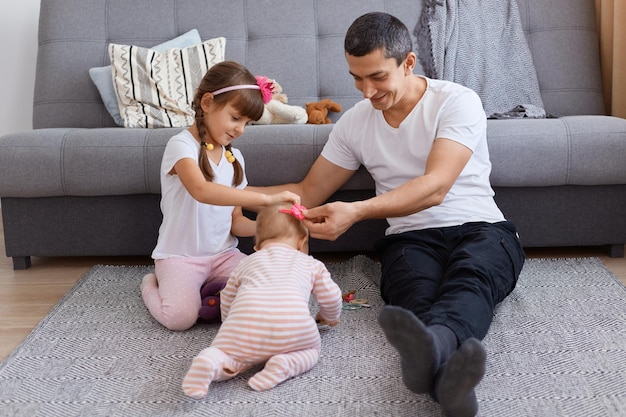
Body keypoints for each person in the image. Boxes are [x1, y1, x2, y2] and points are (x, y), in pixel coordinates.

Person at [249, 12, 525, 417]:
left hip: (481, 227)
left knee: (472, 279)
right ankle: (448, 379)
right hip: (409, 239)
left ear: (408, 63)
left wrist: (357, 212)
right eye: (356, 78)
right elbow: (308, 192)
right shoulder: (355, 124)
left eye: (377, 77)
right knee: (415, 294)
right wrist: (224, 194)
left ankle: (434, 356)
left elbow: (436, 186)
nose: (366, 92)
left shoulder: (457, 100)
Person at [141, 61, 301, 332]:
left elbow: (235, 222)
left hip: (224, 256)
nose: (240, 129)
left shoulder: (234, 157)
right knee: (180, 318)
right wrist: (266, 200)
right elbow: (201, 190)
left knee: (263, 289)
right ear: (207, 103)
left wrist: (276, 226)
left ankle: (213, 292)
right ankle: (150, 284)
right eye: (236, 118)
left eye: (247, 123)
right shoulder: (181, 145)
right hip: (180, 257)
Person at [182, 202, 342, 398]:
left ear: (257, 247)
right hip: (294, 330)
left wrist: (229, 323)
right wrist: (328, 317)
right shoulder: (312, 264)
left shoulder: (245, 262)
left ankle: (210, 361)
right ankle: (284, 364)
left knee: (231, 356)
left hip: (245, 328)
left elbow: (227, 296)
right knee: (311, 351)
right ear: (302, 242)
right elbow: (332, 297)